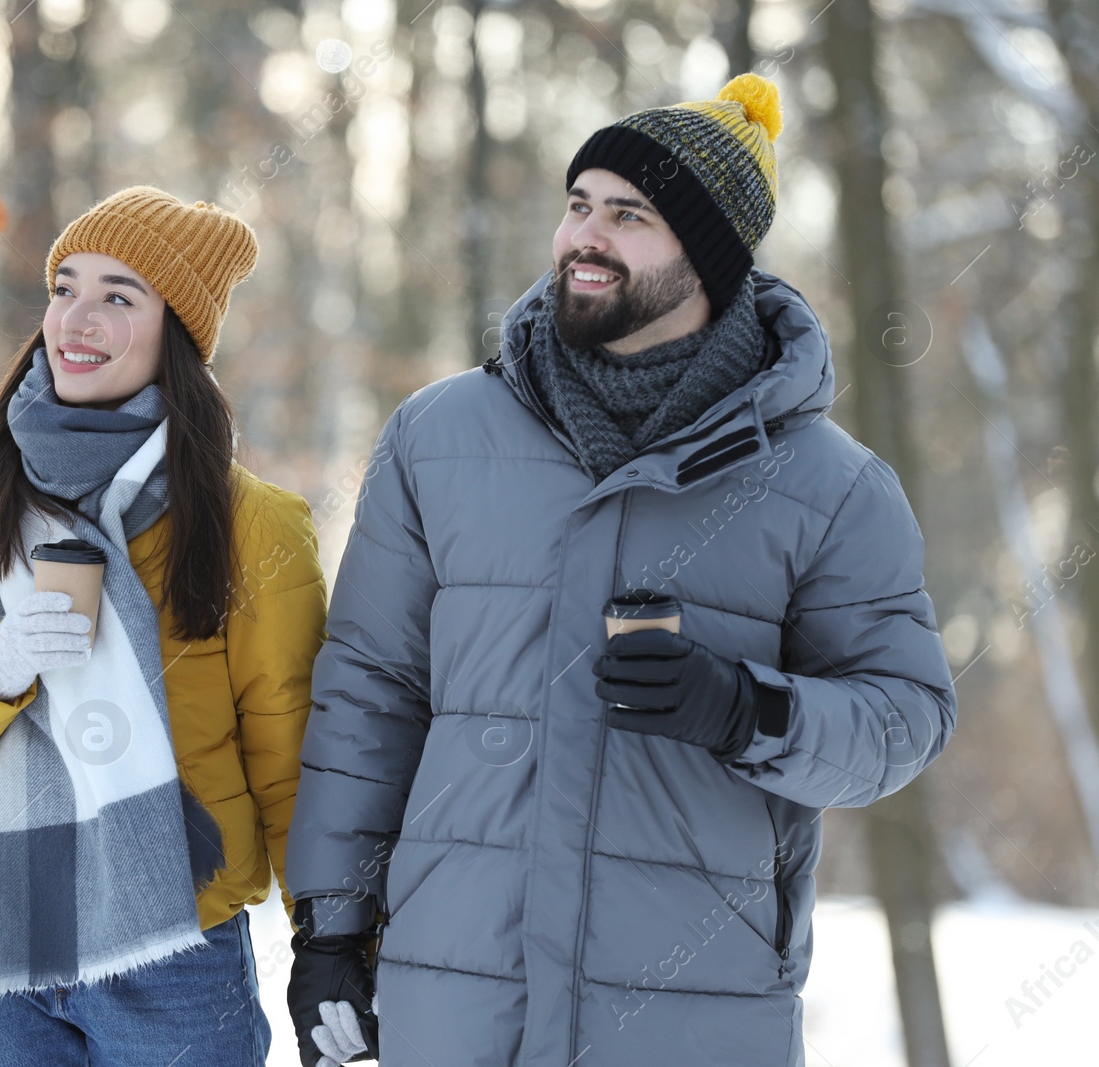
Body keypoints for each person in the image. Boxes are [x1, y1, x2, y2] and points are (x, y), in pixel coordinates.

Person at [283, 74, 957, 1067]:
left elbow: (907, 715)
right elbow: (371, 690)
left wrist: (747, 710)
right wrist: (331, 928)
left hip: (691, 1008)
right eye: (577, 205)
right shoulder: (437, 436)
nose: (584, 237)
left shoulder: (829, 484)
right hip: (457, 997)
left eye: (629, 215)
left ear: (711, 258)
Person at [0, 186, 327, 1066]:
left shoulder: (250, 524)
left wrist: (329, 940)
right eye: (64, 286)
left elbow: (292, 760)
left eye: (119, 294)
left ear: (174, 333)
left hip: (174, 950)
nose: (77, 316)